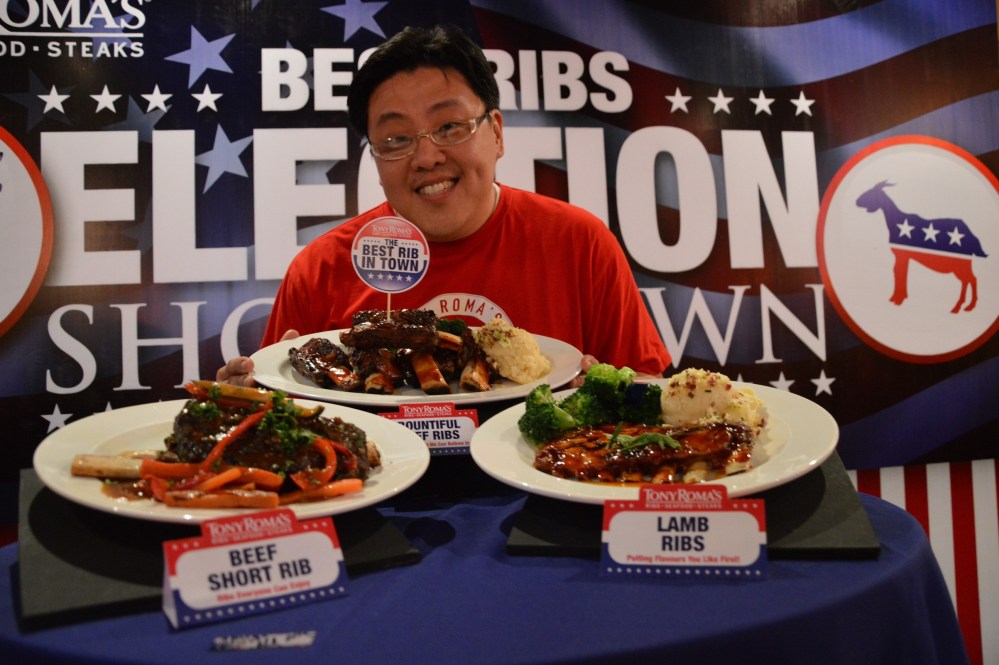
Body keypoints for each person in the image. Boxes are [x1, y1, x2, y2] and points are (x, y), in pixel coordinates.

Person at [218, 24, 670, 387]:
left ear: (496, 131)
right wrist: (247, 398)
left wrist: (610, 393)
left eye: (450, 126)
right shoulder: (320, 268)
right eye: (396, 139)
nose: (428, 157)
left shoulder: (580, 242)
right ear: (374, 157)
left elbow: (651, 387)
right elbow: (280, 404)